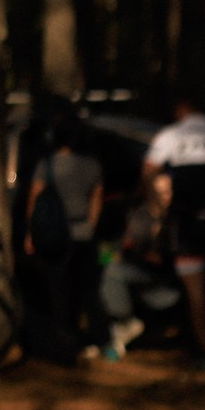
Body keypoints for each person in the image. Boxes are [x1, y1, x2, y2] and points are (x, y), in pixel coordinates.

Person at [143, 97, 205, 358]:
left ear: (181, 109)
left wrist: (157, 209)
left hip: (186, 224)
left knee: (196, 293)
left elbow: (148, 172)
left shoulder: (170, 135)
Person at [22, 120, 106, 363]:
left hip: (53, 236)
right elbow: (96, 199)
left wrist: (31, 232)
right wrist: (90, 225)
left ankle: (66, 341)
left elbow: (34, 200)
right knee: (87, 290)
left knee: (59, 290)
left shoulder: (46, 166)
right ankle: (95, 338)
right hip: (83, 235)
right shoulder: (91, 165)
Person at [98, 172, 184, 358]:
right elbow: (124, 247)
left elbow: (170, 257)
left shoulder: (178, 219)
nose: (167, 196)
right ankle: (121, 328)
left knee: (113, 273)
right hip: (140, 274)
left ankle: (123, 326)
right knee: (109, 271)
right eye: (161, 192)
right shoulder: (139, 216)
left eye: (169, 191)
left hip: (168, 282)